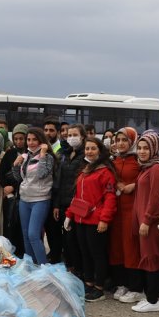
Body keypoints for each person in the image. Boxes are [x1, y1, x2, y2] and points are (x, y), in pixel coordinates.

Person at [64, 137, 117, 302]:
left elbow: (110, 198)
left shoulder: (105, 172)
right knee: (85, 253)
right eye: (87, 149)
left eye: (93, 149)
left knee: (97, 254)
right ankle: (89, 283)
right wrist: (69, 215)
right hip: (81, 219)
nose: (89, 152)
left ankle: (99, 288)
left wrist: (104, 219)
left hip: (96, 219)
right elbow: (77, 196)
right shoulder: (84, 170)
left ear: (100, 151)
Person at [130, 131, 159, 312]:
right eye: (140, 148)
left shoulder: (157, 168)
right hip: (145, 221)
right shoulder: (147, 167)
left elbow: (156, 198)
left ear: (155, 149)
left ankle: (152, 301)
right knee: (153, 258)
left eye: (146, 148)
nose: (141, 152)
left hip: (151, 223)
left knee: (152, 258)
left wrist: (147, 220)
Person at [109, 127, 144, 303]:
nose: (120, 143)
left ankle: (136, 287)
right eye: (118, 140)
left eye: (124, 140)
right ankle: (121, 283)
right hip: (116, 211)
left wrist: (134, 185)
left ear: (132, 142)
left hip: (132, 210)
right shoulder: (113, 160)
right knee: (117, 247)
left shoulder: (139, 161)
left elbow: (147, 179)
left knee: (131, 247)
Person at [12, 127, 55, 264]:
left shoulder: (48, 157)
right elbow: (19, 178)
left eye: (34, 139)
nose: (30, 143)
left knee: (33, 235)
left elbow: (42, 174)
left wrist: (42, 153)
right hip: (24, 199)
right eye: (28, 140)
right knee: (26, 235)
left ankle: (44, 268)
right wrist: (15, 165)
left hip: (40, 199)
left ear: (41, 140)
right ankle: (31, 266)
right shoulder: (26, 156)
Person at [55, 124, 87, 275]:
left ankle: (80, 270)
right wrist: (56, 204)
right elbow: (59, 180)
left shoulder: (85, 156)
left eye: (75, 135)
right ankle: (70, 267)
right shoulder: (64, 154)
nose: (71, 138)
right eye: (69, 135)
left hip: (78, 203)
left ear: (82, 137)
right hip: (63, 201)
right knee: (66, 239)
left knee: (76, 239)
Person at [0, 124, 28, 256]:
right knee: (9, 225)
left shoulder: (30, 154)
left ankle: (23, 254)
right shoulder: (9, 153)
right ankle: (10, 254)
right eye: (16, 139)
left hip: (25, 196)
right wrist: (6, 186)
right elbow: (1, 173)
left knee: (22, 227)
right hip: (10, 197)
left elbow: (28, 177)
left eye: (21, 138)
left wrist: (14, 187)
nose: (18, 142)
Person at [42, 117, 64, 263]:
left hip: (56, 194)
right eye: (46, 130)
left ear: (57, 132)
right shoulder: (42, 148)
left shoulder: (60, 150)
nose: (48, 133)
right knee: (48, 229)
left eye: (51, 130)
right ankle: (52, 254)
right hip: (43, 194)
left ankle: (56, 256)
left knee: (55, 229)